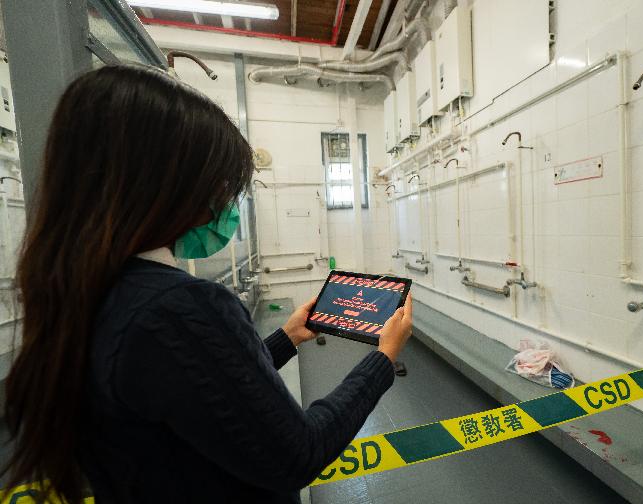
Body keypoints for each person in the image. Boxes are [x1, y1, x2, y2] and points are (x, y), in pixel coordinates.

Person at [1, 64, 413, 503]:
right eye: (215, 184)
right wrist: (383, 359)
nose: (220, 202)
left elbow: (201, 391)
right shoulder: (177, 306)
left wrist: (287, 338)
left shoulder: (85, 288)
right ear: (167, 186)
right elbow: (299, 452)